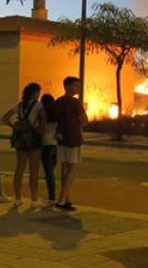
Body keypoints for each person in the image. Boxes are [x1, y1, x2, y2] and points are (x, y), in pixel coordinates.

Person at [2, 83, 46, 207]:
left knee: (20, 168)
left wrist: (15, 127)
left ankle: (17, 198)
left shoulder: (19, 105)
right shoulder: (38, 105)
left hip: (21, 139)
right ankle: (34, 199)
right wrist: (38, 130)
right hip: (34, 140)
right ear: (35, 93)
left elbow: (5, 118)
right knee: (34, 169)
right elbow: (43, 121)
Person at [54, 76, 87, 212]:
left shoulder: (58, 102)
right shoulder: (75, 103)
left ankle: (66, 198)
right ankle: (62, 199)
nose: (77, 88)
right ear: (68, 87)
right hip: (73, 138)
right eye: (75, 86)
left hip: (61, 138)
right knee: (71, 171)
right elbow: (84, 120)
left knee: (64, 169)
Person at [40, 94, 57, 205]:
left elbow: (44, 130)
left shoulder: (43, 114)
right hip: (56, 146)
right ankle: (52, 197)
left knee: (49, 173)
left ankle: (51, 197)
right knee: (50, 172)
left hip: (46, 146)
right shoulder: (56, 115)